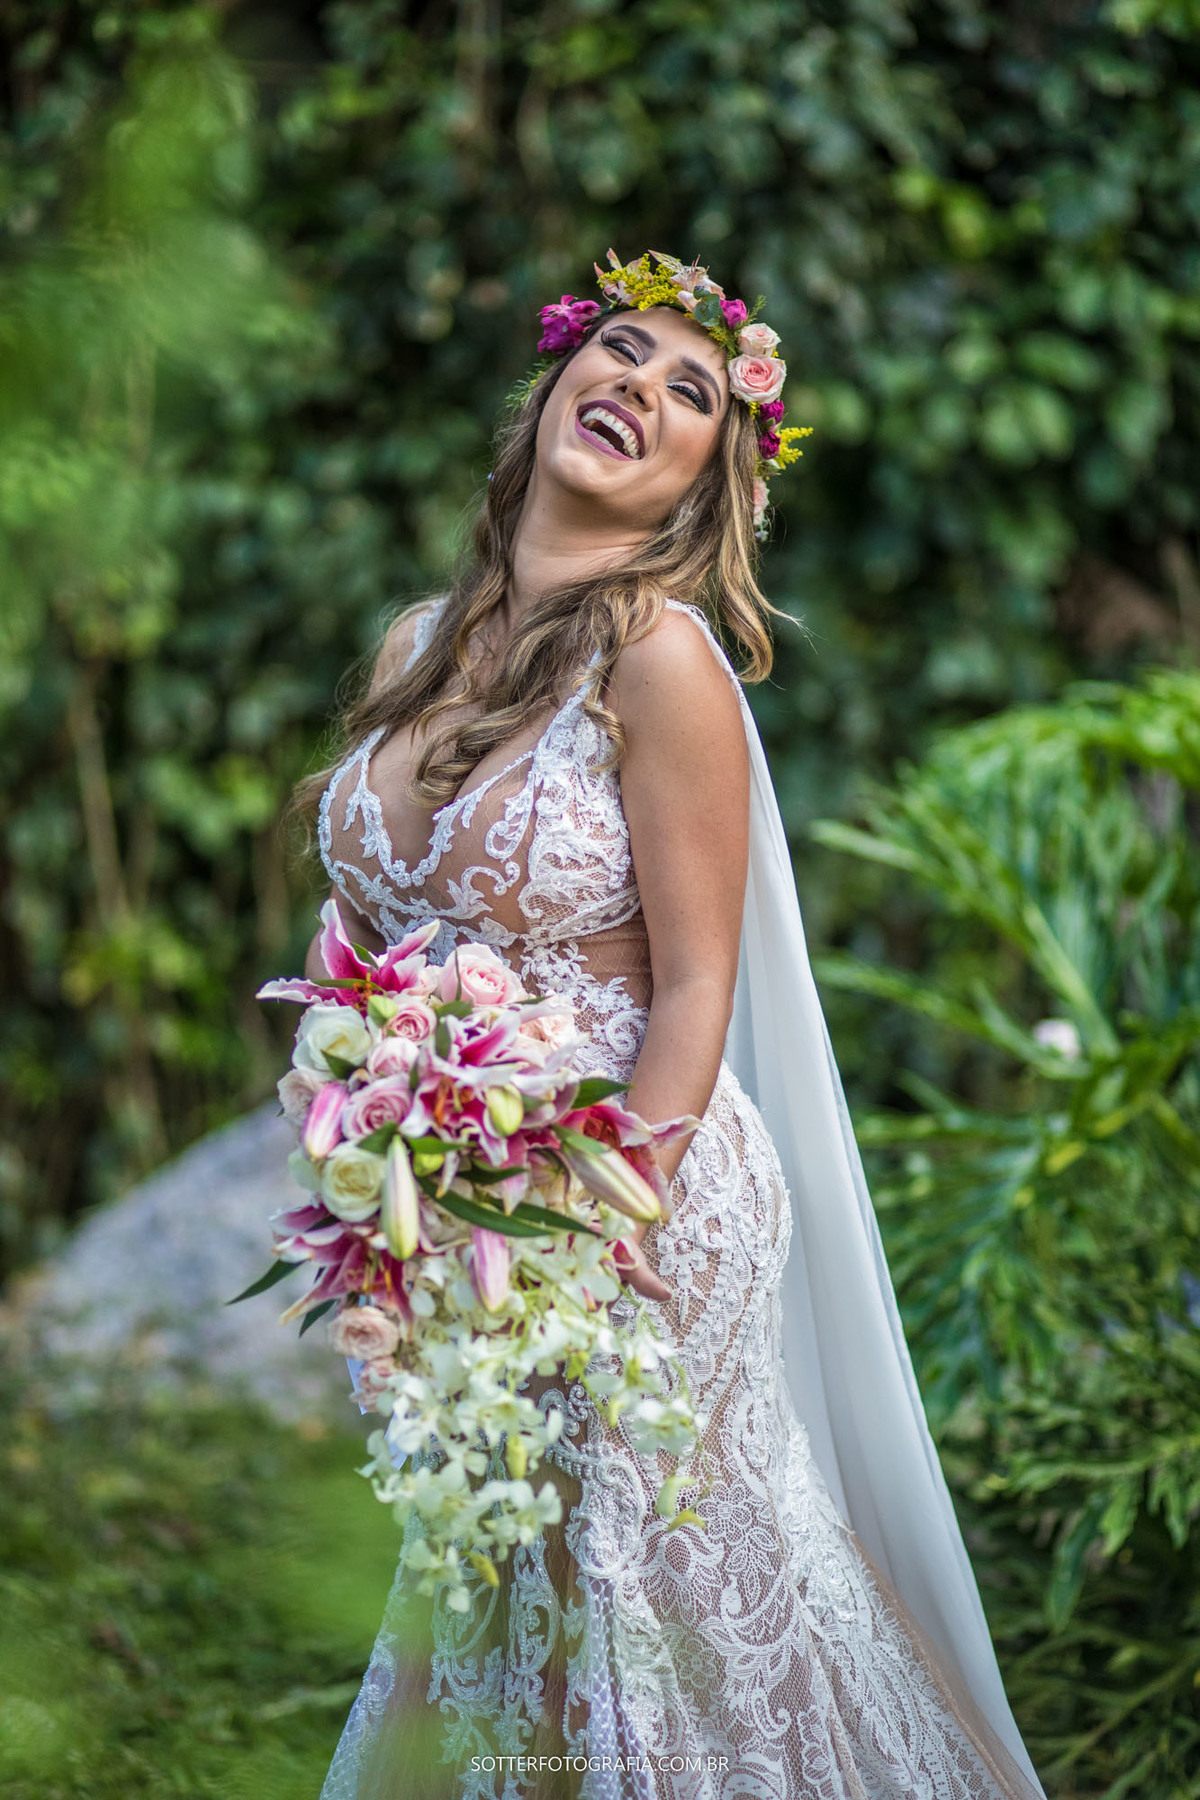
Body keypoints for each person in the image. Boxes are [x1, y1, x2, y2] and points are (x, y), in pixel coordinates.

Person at [300, 253, 1048, 1800]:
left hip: (638, 1196)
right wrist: (383, 1180)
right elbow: (364, 961)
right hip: (453, 1209)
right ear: (551, 397)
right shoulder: (411, 648)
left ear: (706, 483)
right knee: (497, 1584)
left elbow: (697, 981)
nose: (639, 385)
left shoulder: (660, 659)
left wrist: (596, 1209)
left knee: (646, 1614)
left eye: (691, 389)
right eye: (620, 353)